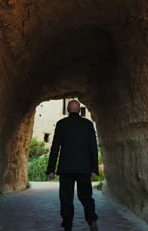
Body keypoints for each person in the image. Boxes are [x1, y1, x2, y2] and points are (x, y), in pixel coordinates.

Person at [46, 99, 99, 231]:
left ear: (68, 110)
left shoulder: (61, 124)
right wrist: (94, 169)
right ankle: (92, 221)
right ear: (80, 110)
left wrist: (50, 169)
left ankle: (68, 225)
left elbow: (55, 147)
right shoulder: (87, 124)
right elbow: (93, 147)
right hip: (84, 168)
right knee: (86, 197)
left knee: (66, 199)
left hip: (66, 168)